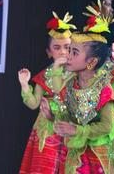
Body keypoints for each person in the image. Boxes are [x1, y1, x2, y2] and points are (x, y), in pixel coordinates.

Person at [51, 4, 114, 174]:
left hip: (103, 147)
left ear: (91, 62)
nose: (67, 56)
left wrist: (77, 130)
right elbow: (64, 106)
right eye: (69, 50)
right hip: (81, 147)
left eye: (74, 52)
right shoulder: (71, 83)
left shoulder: (104, 88)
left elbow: (106, 126)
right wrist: (52, 116)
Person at [18, 12, 76, 173]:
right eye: (57, 48)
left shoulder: (79, 75)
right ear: (49, 52)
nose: (63, 52)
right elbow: (33, 104)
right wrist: (24, 85)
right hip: (47, 131)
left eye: (68, 47)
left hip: (70, 128)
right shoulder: (43, 76)